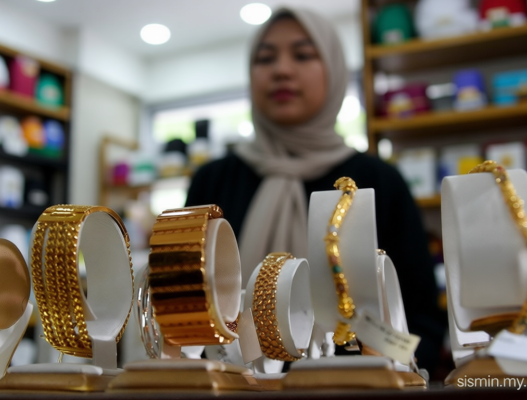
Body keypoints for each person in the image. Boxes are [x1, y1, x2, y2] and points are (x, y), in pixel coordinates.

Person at [185, 6, 445, 374]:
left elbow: (420, 319)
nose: (282, 70)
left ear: (334, 70)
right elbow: (184, 310)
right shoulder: (212, 181)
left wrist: (391, 372)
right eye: (265, 58)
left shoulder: (379, 179)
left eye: (303, 55)